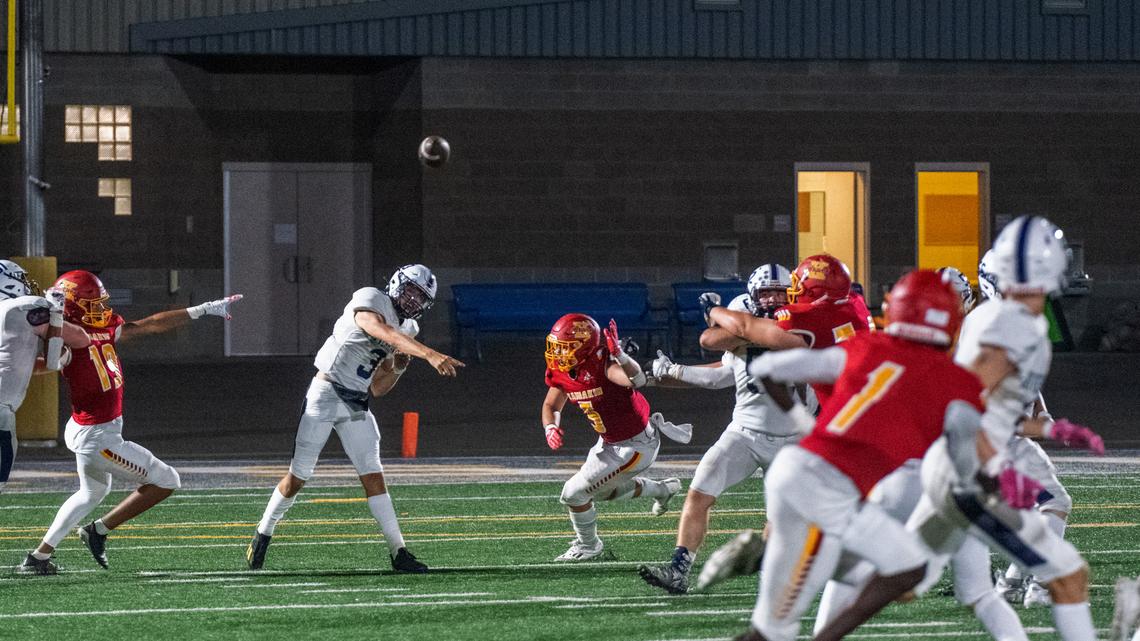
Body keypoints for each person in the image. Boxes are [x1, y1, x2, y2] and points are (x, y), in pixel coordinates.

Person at [830, 216, 1104, 641]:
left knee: (933, 581)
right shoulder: (1003, 325)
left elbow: (1000, 397)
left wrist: (1049, 428)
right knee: (1055, 565)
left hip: (972, 460)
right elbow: (962, 399)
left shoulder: (1017, 323)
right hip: (970, 466)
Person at [729, 269, 996, 641]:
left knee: (772, 626)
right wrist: (990, 482)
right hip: (828, 487)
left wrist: (804, 423)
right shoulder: (956, 380)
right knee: (908, 571)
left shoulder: (866, 345)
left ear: (896, 309)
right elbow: (965, 458)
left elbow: (764, 368)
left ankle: (787, 577)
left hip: (794, 469)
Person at [19, 270, 240, 575]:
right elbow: (46, 349)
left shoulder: (102, 326)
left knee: (91, 493)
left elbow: (148, 325)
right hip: (98, 437)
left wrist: (200, 310)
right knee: (166, 480)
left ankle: (38, 557)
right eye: (92, 303)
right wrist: (50, 315)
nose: (100, 309)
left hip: (96, 429)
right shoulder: (66, 335)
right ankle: (98, 531)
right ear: (70, 306)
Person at [247, 264, 463, 574]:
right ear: (396, 283)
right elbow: (379, 329)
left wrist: (399, 367)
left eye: (420, 297)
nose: (413, 300)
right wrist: (428, 354)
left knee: (374, 476)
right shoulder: (371, 299)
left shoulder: (408, 332)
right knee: (298, 477)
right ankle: (264, 532)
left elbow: (378, 386)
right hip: (325, 393)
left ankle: (399, 552)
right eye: (411, 290)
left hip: (357, 403)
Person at [693, 254, 872, 590]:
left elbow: (744, 328)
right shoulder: (854, 304)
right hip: (867, 415)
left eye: (797, 288)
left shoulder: (814, 315)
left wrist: (712, 310)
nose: (790, 295)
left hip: (847, 427)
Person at [637, 264, 807, 594]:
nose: (773, 298)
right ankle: (679, 569)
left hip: (795, 440)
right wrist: (674, 370)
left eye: (779, 292)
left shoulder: (805, 320)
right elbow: (714, 352)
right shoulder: (747, 317)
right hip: (744, 431)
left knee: (779, 517)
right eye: (766, 292)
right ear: (753, 297)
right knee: (699, 491)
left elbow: (734, 333)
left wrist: (738, 327)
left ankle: (770, 581)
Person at [541, 313, 688, 562]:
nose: (559, 353)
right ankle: (662, 490)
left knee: (573, 494)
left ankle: (589, 545)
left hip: (635, 446)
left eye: (566, 347)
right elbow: (551, 406)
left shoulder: (604, 365)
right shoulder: (563, 370)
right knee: (595, 493)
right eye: (556, 346)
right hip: (608, 442)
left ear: (586, 346)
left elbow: (637, 379)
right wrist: (550, 428)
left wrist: (620, 355)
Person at [0, 260, 90, 492]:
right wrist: (57, 314)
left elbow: (26, 366)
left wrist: (61, 360)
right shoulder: (24, 306)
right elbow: (81, 339)